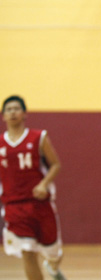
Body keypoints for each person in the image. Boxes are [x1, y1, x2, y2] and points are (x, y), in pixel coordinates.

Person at [0, 95, 66, 280]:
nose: (12, 112)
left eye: (16, 108)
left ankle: (52, 267)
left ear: (24, 114)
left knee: (54, 252)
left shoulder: (39, 137)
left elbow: (56, 165)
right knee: (27, 252)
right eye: (8, 109)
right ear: (3, 116)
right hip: (14, 206)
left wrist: (44, 184)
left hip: (41, 205)